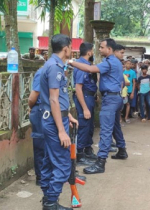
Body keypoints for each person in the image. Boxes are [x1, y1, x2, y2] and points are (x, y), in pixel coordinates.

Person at [68, 38, 128, 175]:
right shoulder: (117, 62)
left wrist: (72, 62)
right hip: (117, 97)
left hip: (111, 99)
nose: (99, 50)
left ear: (109, 49)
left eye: (101, 47)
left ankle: (101, 162)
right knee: (115, 126)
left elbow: (90, 69)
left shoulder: (109, 62)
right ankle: (122, 150)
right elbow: (122, 83)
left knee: (106, 130)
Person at [39, 34, 78, 210]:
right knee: (63, 163)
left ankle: (48, 197)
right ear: (65, 48)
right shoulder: (54, 67)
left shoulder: (53, 65)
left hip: (55, 118)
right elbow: (53, 100)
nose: (71, 50)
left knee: (48, 161)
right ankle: (51, 201)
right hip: (54, 123)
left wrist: (67, 115)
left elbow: (57, 98)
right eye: (71, 47)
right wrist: (62, 131)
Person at [72, 42, 97, 167]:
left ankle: (87, 149)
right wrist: (85, 107)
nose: (93, 53)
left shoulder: (85, 64)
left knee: (89, 125)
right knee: (84, 125)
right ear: (89, 52)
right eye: (92, 51)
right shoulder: (82, 66)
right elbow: (78, 88)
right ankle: (80, 155)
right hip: (85, 97)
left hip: (89, 96)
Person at [28, 68, 44, 186]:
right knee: (40, 145)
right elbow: (33, 97)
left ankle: (45, 174)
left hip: (47, 110)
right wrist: (31, 107)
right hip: (39, 109)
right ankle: (40, 176)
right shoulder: (42, 72)